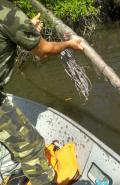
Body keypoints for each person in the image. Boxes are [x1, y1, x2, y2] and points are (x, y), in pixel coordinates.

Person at [0, 0, 83, 184]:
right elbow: (44, 51)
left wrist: (26, 29)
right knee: (32, 147)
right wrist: (69, 44)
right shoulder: (7, 11)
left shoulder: (9, 16)